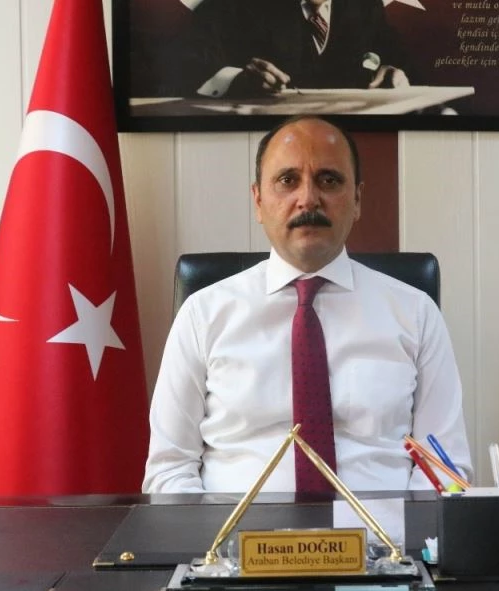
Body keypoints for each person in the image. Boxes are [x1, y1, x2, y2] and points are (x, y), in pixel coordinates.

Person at [143, 115, 471, 493]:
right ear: (258, 200)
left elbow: (444, 468)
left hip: (381, 529)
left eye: (328, 180)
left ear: (357, 200)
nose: (308, 199)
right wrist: (217, 534)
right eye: (288, 180)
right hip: (237, 529)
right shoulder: (203, 315)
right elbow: (169, 470)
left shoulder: (415, 313)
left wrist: (402, 531)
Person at [166, 0, 410, 98]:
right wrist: (236, 80)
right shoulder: (233, 4)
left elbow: (398, 62)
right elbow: (182, 64)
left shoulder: (365, 5)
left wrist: (393, 74)